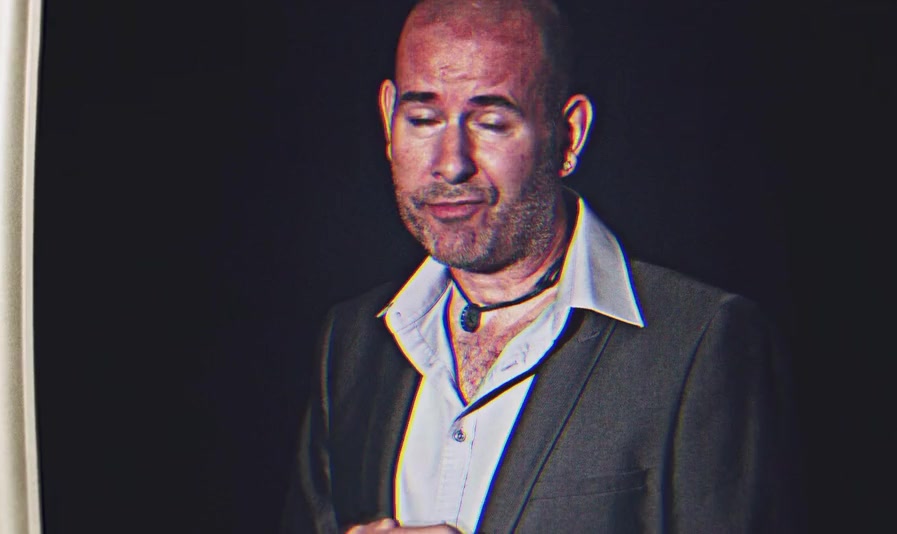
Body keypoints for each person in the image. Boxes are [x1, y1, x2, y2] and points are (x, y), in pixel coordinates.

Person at [281, 0, 799, 532]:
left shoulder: (701, 343)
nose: (451, 163)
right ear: (389, 118)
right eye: (423, 119)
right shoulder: (349, 343)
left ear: (568, 135)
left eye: (491, 122)